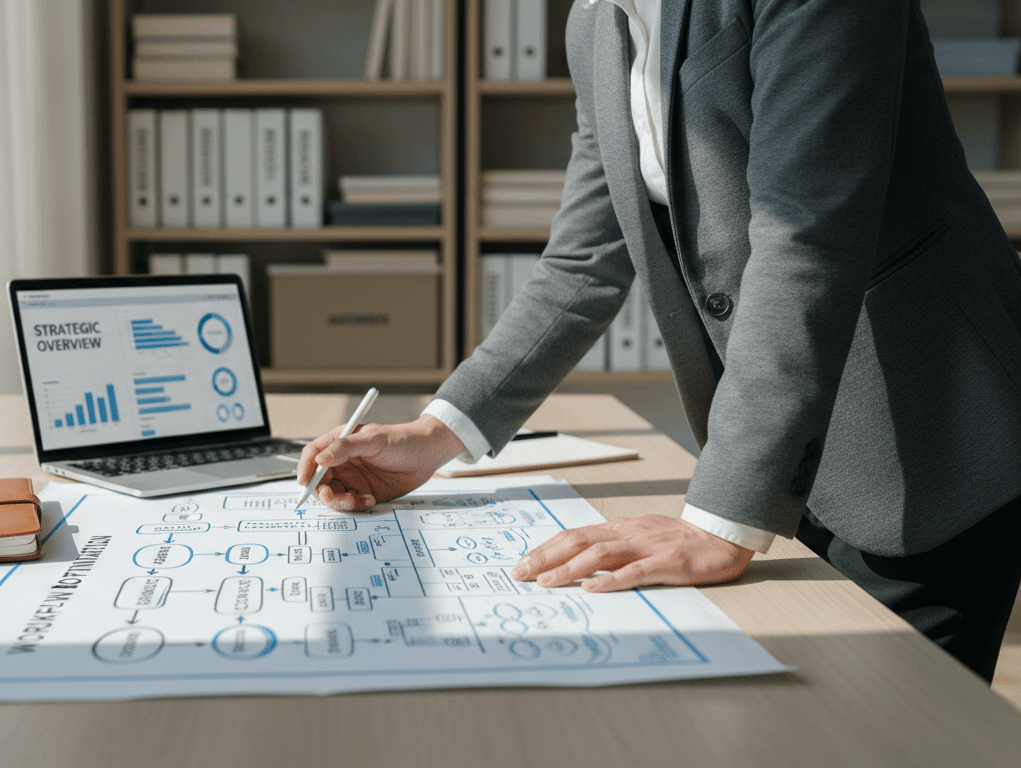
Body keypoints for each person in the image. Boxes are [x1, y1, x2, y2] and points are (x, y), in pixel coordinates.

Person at [295, 0, 1021, 681]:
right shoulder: (596, 22)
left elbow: (805, 238)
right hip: (796, 454)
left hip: (933, 435)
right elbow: (583, 258)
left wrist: (718, 520)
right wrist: (437, 432)